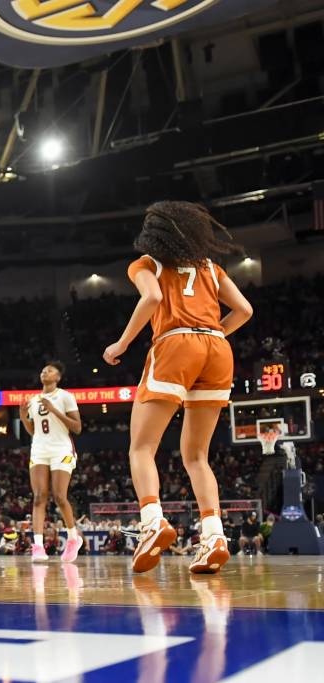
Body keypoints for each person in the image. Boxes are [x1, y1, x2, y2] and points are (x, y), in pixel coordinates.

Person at [103, 201, 252, 575]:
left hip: (176, 345)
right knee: (196, 456)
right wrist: (214, 334)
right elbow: (245, 310)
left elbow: (152, 298)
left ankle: (153, 521)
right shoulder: (211, 268)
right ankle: (214, 535)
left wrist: (121, 345)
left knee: (141, 446)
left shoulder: (147, 264)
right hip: (218, 350)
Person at [19, 361, 84, 563]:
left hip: (61, 449)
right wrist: (23, 416)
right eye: (43, 369)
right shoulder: (33, 399)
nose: (44, 371)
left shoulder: (65, 396)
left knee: (59, 496)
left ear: (57, 377)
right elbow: (33, 431)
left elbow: (77, 427)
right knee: (39, 496)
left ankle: (73, 538)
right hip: (39, 448)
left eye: (49, 370)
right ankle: (37, 546)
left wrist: (54, 410)